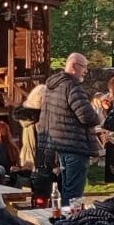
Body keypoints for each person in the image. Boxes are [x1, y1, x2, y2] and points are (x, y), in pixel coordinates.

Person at [38, 52, 103, 201]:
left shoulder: (51, 87)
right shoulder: (72, 86)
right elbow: (87, 116)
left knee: (65, 191)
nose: (86, 71)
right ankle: (71, 217)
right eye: (84, 67)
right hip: (75, 146)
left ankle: (63, 215)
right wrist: (98, 114)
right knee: (73, 194)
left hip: (57, 146)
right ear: (74, 66)